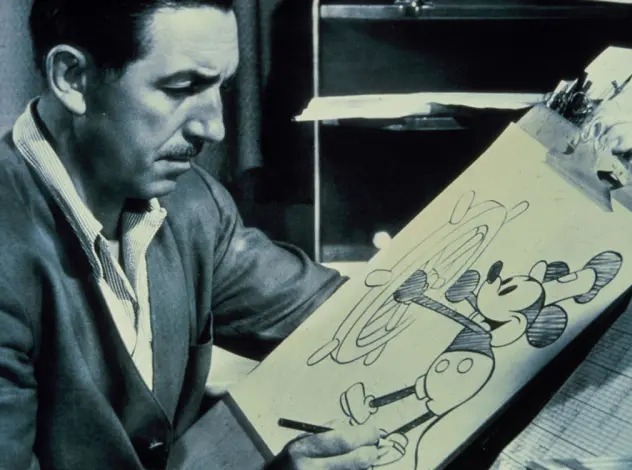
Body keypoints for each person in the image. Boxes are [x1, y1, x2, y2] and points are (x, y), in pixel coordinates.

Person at [0, 0, 382, 468]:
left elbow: (351, 316)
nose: (214, 128)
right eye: (182, 88)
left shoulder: (193, 204)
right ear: (72, 77)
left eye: (222, 86)